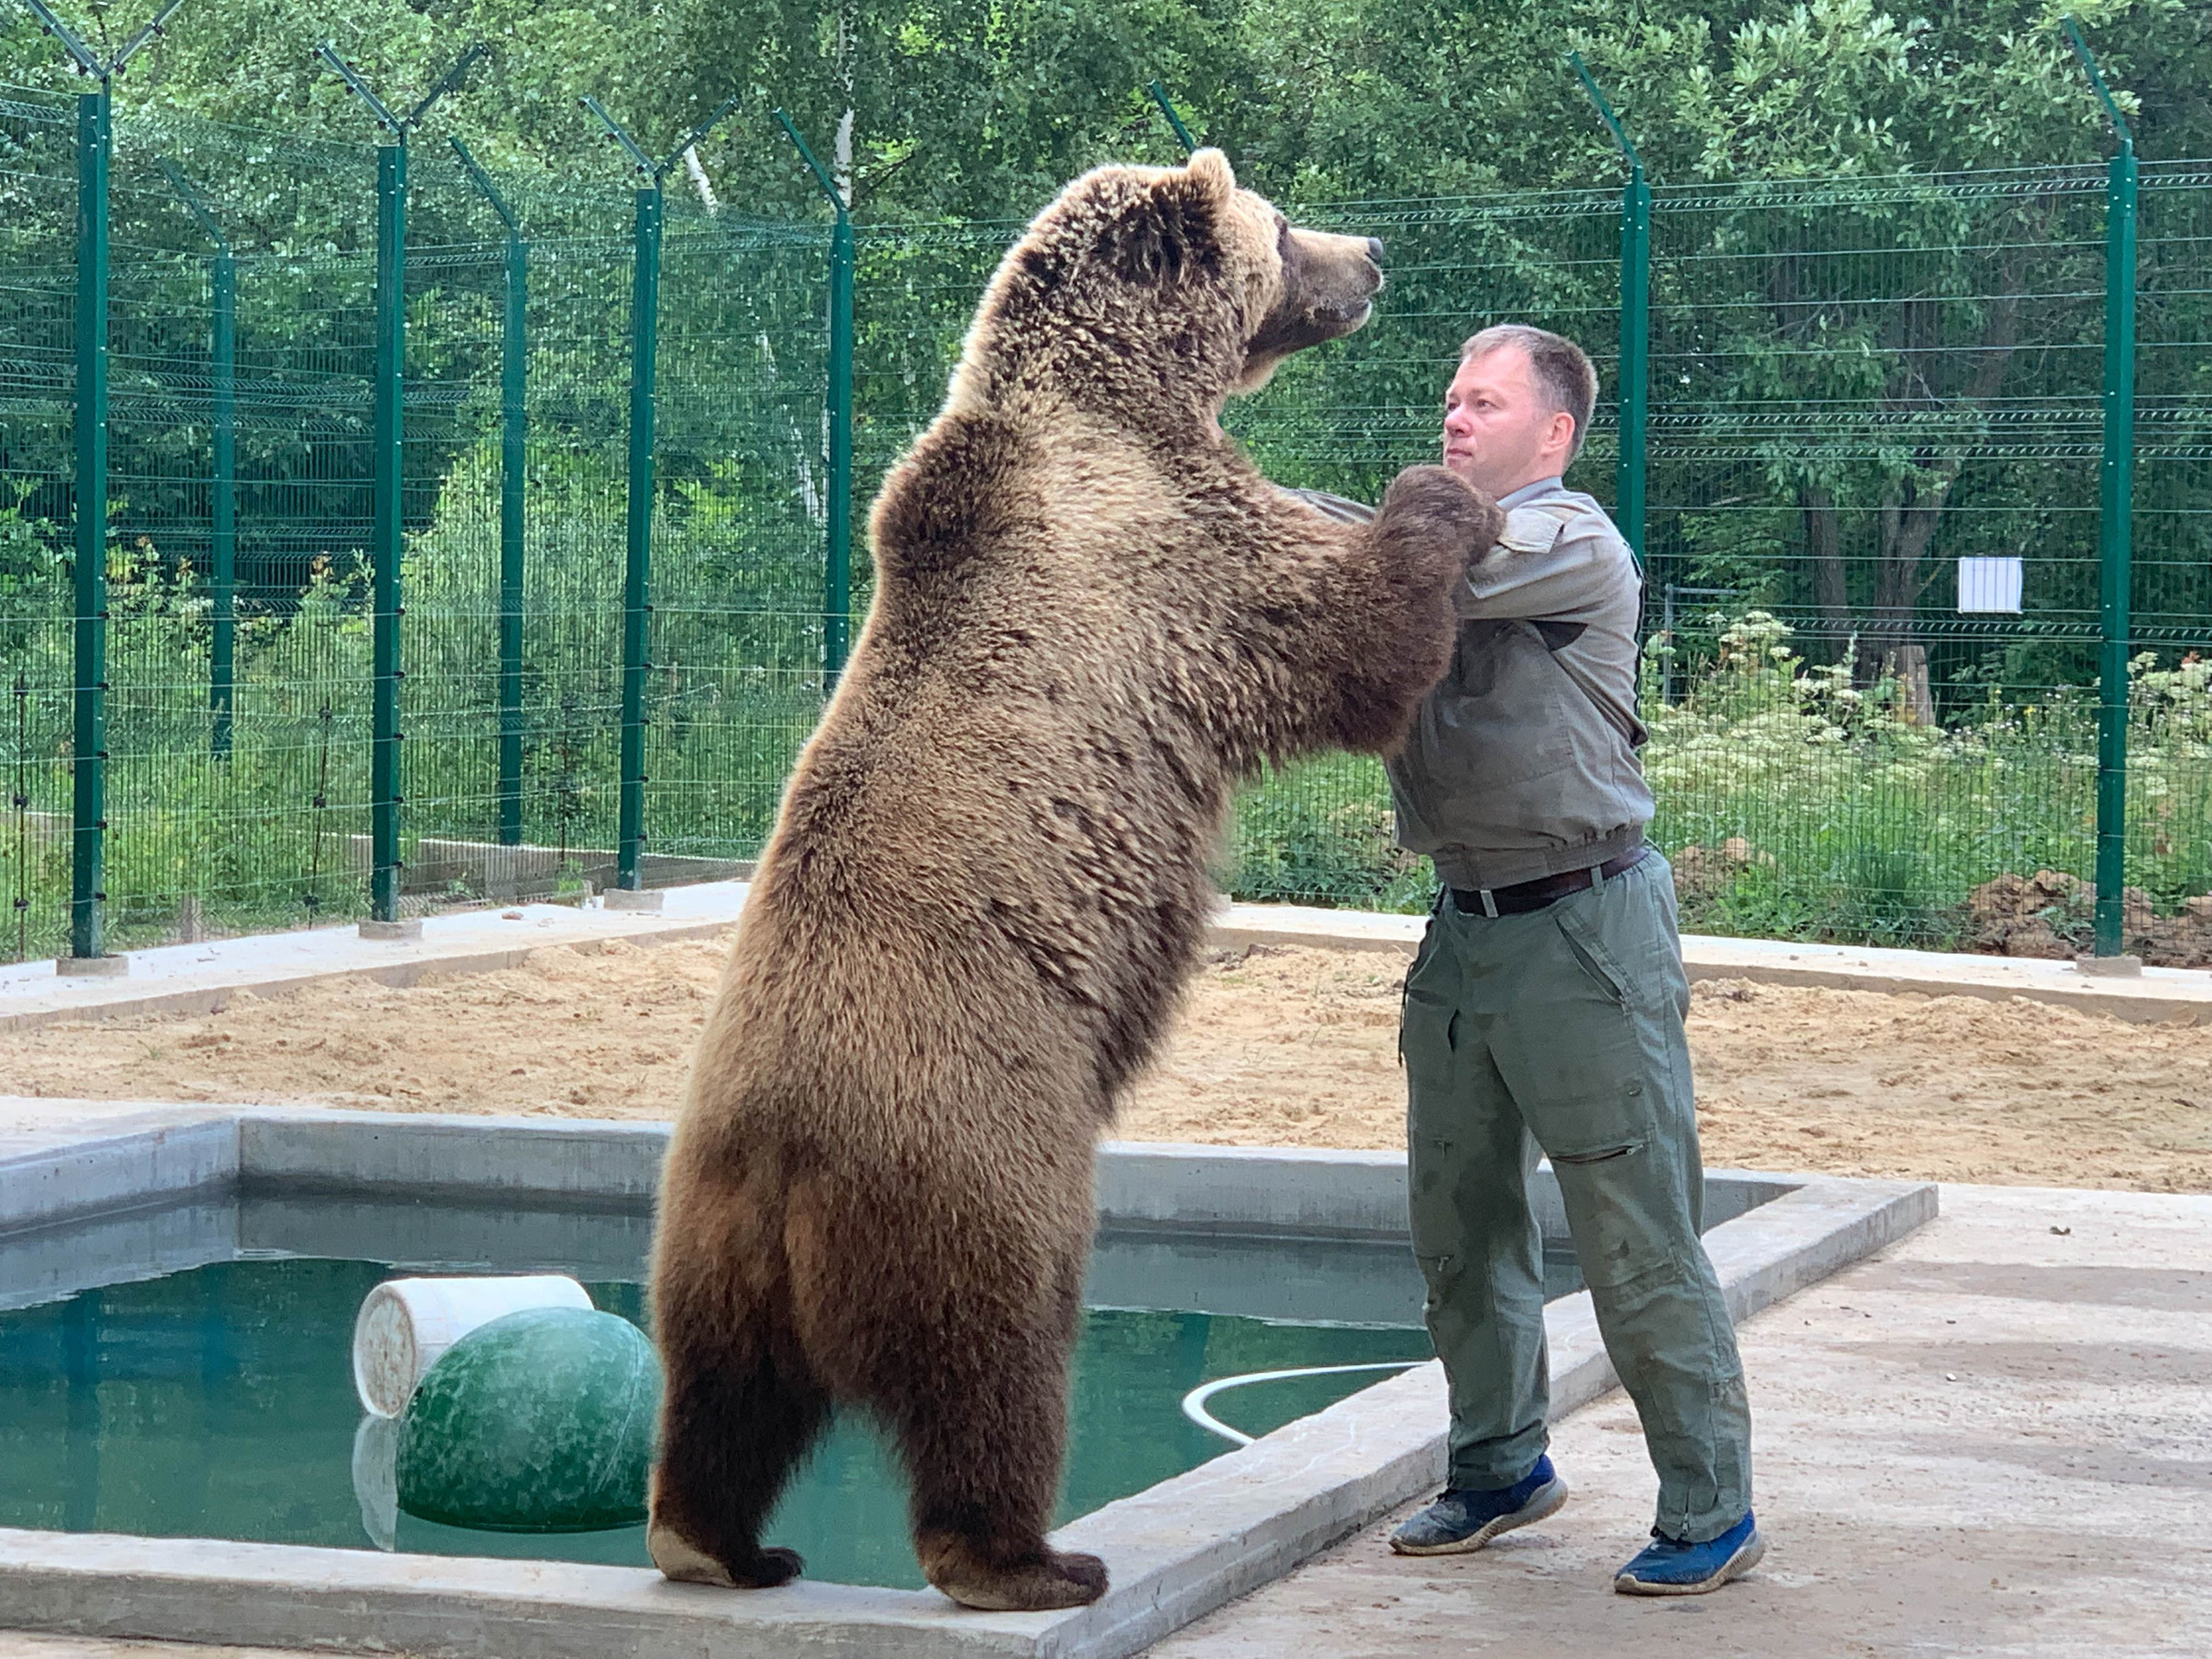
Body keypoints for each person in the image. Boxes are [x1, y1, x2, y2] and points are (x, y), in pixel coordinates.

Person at [1297, 324, 1762, 1596]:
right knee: (1459, 1225)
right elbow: (1354, 553)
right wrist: (1211, 484)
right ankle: (1500, 1470)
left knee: (1635, 1230)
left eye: (1483, 402)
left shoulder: (1569, 543)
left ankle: (1709, 1507)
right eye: (1449, 398)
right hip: (1463, 929)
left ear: (1551, 434)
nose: (1452, 417)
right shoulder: (1420, 543)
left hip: (1584, 928)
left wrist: (1303, 527)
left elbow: (1401, 579)